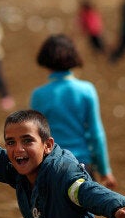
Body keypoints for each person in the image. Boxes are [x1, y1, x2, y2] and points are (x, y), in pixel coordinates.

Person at [30, 34, 117, 189]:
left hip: (51, 166)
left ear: (45, 61)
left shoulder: (39, 95)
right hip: (82, 166)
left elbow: (35, 135)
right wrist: (105, 170)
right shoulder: (86, 90)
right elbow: (96, 134)